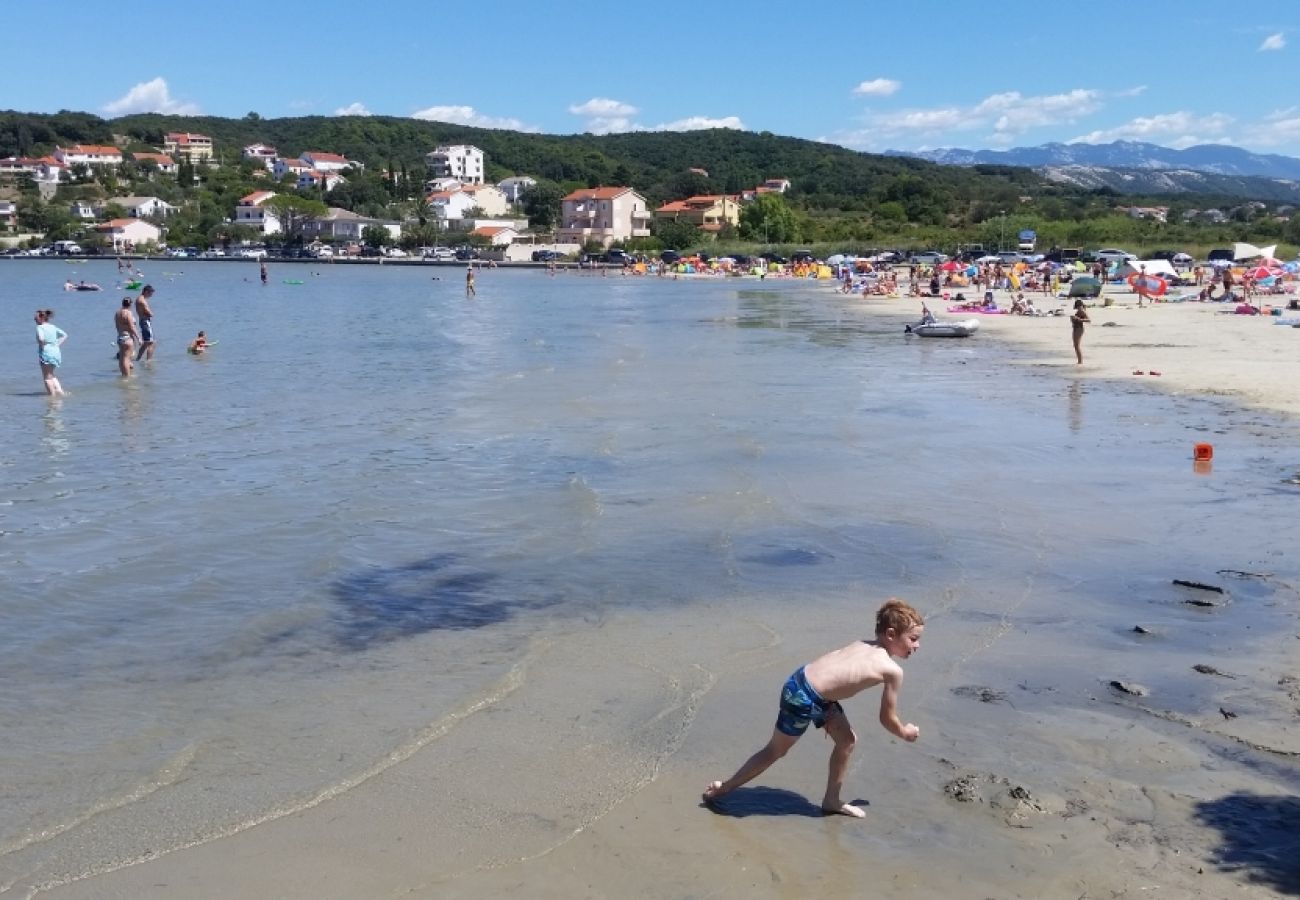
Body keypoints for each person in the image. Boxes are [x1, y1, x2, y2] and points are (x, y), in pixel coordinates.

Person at [702, 599, 924, 818]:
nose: (917, 645)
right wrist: (905, 732)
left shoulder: (863, 643)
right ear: (891, 634)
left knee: (846, 740)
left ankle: (831, 800)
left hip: (803, 682)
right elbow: (886, 718)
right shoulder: (892, 671)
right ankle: (725, 788)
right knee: (775, 751)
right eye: (913, 639)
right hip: (804, 698)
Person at [35, 309, 68, 396]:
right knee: (51, 374)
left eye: (36, 318)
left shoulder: (40, 327)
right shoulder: (53, 327)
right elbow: (65, 335)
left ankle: (52, 396)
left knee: (46, 377)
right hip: (56, 352)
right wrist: (57, 344)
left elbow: (41, 338)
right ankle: (60, 392)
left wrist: (42, 346)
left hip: (46, 353)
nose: (34, 319)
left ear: (42, 318)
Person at [114, 297, 139, 377]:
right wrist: (139, 338)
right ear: (130, 304)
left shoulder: (117, 313)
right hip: (127, 338)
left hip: (120, 337)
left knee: (123, 358)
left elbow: (117, 326)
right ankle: (127, 377)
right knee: (126, 359)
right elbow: (132, 327)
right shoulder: (128, 313)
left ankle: (124, 374)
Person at [134, 285, 156, 361]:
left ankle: (138, 359)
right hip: (145, 322)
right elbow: (149, 313)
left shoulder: (139, 299)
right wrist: (151, 313)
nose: (151, 295)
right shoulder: (142, 300)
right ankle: (149, 361)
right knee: (151, 343)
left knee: (146, 343)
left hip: (143, 321)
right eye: (151, 293)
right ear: (146, 292)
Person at [1070, 298, 1090, 365]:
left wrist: (1078, 319)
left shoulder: (1082, 311)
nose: (1078, 308)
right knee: (1075, 345)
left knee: (1077, 346)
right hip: (1076, 328)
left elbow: (1088, 320)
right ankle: (1079, 361)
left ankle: (1080, 361)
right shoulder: (1080, 311)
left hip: (1079, 329)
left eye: (1078, 306)